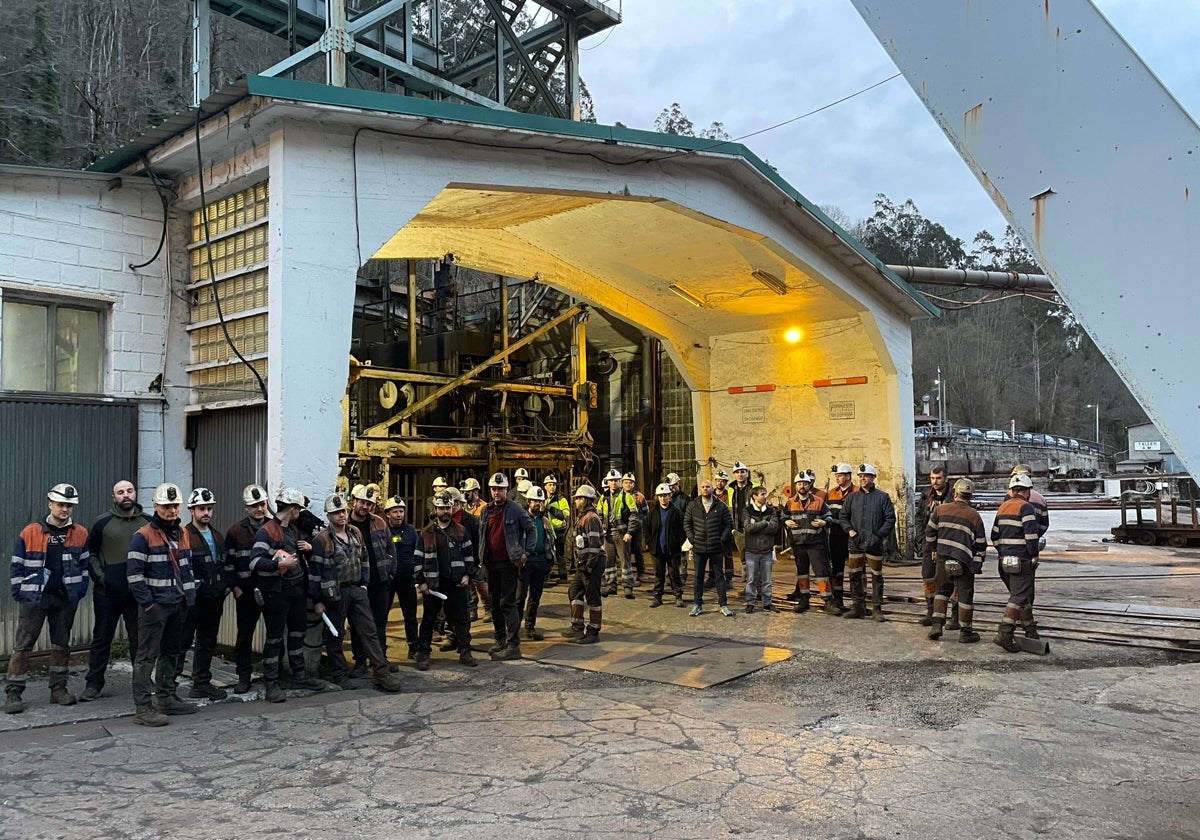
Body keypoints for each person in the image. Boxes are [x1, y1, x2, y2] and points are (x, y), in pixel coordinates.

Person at [6, 484, 90, 715]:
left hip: (64, 598)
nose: (65, 509)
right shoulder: (31, 532)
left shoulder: (80, 533)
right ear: (50, 504)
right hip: (35, 597)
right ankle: (14, 693)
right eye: (61, 504)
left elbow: (84, 565)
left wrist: (78, 591)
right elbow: (17, 565)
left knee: (61, 644)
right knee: (23, 645)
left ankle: (58, 689)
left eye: (69, 506)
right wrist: (20, 592)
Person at [309, 495, 404, 690]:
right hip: (334, 593)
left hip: (356, 589)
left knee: (369, 631)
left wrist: (363, 584)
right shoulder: (322, 540)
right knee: (336, 635)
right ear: (328, 515)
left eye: (343, 511)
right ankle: (339, 674)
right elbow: (315, 573)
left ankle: (381, 673)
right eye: (336, 513)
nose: (341, 515)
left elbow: (365, 559)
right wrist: (317, 600)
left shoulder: (355, 533)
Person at [127, 483, 197, 726]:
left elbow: (187, 570)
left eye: (175, 506)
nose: (172, 510)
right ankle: (143, 708)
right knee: (146, 656)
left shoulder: (184, 533)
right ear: (156, 506)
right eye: (166, 506)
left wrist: (189, 600)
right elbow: (134, 577)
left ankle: (167, 698)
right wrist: (148, 606)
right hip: (155, 608)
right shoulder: (142, 536)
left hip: (178, 605)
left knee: (171, 652)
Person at [250, 487, 322, 702]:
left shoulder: (293, 530)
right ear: (292, 508)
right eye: (298, 508)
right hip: (277, 593)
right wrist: (279, 563)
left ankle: (298, 675)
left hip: (297, 590)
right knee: (274, 637)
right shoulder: (267, 531)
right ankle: (272, 682)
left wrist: (308, 549)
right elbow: (254, 561)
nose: (300, 512)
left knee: (297, 633)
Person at [81, 479, 149, 701]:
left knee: (139, 639)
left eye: (129, 491)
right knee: (102, 638)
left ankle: (142, 683)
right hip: (107, 594)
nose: (126, 495)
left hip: (136, 594)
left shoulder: (148, 523)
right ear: (114, 497)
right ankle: (93, 684)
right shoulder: (102, 522)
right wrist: (102, 579)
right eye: (120, 492)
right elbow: (89, 554)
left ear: (135, 493)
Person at [180, 488, 234, 700]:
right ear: (192, 510)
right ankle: (167, 688)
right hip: (192, 600)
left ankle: (201, 683)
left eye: (209, 508)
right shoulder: (183, 536)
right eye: (201, 508)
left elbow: (225, 565)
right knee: (181, 642)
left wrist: (226, 587)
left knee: (207, 641)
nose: (206, 513)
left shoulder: (217, 536)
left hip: (213, 599)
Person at [414, 492, 477, 670]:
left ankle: (465, 651)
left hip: (456, 583)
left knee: (462, 619)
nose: (445, 511)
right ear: (436, 509)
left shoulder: (461, 531)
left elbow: (469, 556)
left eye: (448, 508)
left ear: (453, 508)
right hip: (434, 585)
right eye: (442, 508)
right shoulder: (426, 533)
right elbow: (417, 560)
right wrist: (421, 582)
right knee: (429, 620)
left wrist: (467, 575)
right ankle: (423, 653)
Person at [479, 472, 535, 661]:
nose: (497, 493)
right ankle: (500, 640)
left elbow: (531, 529)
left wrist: (526, 553)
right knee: (494, 604)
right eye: (494, 489)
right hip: (490, 564)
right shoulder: (486, 510)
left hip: (509, 564)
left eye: (500, 489)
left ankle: (513, 646)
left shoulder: (515, 509)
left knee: (507, 603)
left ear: (506, 490)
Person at [925, 478, 986, 643]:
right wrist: (977, 565)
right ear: (970, 496)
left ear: (955, 493)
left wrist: (934, 550)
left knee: (941, 591)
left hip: (943, 557)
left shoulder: (940, 510)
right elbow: (980, 544)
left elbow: (930, 532)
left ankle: (936, 626)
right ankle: (965, 632)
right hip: (964, 560)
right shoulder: (975, 516)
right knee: (965, 595)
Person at [347, 484, 398, 673]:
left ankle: (380, 659)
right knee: (357, 622)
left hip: (380, 581)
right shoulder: (346, 525)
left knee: (380, 622)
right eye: (362, 502)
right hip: (358, 582)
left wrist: (390, 573)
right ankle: (360, 661)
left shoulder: (379, 522)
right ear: (354, 502)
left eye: (369, 503)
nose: (365, 507)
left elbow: (390, 549)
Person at [225, 484, 270, 694]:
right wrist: (235, 588)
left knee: (275, 635)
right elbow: (228, 564)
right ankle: (244, 676)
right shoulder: (235, 532)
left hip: (271, 591)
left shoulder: (275, 528)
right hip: (246, 593)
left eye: (262, 504)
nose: (259, 509)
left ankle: (273, 676)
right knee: (244, 637)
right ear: (246, 507)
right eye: (254, 505)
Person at [839, 464, 896, 622]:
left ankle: (877, 609)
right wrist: (850, 531)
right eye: (860, 476)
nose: (862, 478)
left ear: (873, 478)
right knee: (854, 575)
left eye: (866, 476)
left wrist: (878, 535)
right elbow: (843, 516)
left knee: (876, 576)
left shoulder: (882, 497)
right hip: (855, 543)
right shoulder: (852, 498)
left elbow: (890, 519)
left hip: (874, 544)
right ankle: (858, 606)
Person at [992, 473, 1042, 652]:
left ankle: (1030, 630)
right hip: (1022, 560)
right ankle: (1005, 633)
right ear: (1028, 491)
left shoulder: (1003, 507)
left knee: (1022, 596)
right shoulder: (1026, 507)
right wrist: (1033, 554)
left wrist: (1004, 552)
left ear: (1012, 490)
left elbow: (994, 536)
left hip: (1004, 560)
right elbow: (1031, 536)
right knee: (1019, 596)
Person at [782, 470, 833, 614]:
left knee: (821, 573)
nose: (802, 486)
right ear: (796, 486)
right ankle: (804, 600)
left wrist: (824, 522)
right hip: (798, 544)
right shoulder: (790, 502)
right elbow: (782, 517)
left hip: (815, 543)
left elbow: (829, 517)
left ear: (809, 484)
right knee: (802, 573)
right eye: (799, 484)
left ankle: (828, 601)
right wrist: (786, 521)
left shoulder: (818, 501)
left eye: (804, 483)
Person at [683, 478, 735, 617]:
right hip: (699, 547)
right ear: (700, 489)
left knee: (719, 577)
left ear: (712, 489)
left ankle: (723, 605)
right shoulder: (693, 505)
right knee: (698, 577)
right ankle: (697, 605)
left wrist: (721, 539)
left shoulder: (721, 506)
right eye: (703, 487)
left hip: (716, 547)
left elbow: (728, 524)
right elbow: (687, 523)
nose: (705, 488)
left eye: (708, 486)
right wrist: (693, 539)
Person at [562, 484, 605, 644]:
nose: (576, 501)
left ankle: (594, 631)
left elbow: (594, 546)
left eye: (579, 498)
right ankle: (577, 626)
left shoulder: (591, 518)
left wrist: (588, 566)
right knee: (574, 591)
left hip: (592, 563)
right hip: (584, 564)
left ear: (587, 500)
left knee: (592, 596)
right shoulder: (583, 517)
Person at [516, 486, 556, 641]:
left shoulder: (544, 519)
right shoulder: (522, 519)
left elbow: (551, 540)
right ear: (529, 501)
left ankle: (530, 628)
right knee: (519, 598)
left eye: (540, 500)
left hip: (540, 562)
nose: (538, 503)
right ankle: (514, 630)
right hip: (526, 563)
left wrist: (549, 560)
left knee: (535, 597)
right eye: (535, 501)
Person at [382, 495, 420, 660]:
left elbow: (417, 554)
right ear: (387, 514)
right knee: (381, 615)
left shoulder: (411, 531)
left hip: (407, 579)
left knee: (410, 615)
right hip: (387, 580)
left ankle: (413, 647)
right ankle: (379, 651)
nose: (398, 515)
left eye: (401, 511)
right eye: (395, 512)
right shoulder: (381, 531)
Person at [916, 466, 954, 626]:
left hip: (948, 545)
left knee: (950, 580)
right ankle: (931, 612)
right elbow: (919, 517)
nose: (935, 482)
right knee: (928, 577)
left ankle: (955, 616)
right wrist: (921, 538)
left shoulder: (954, 496)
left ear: (945, 479)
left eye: (938, 478)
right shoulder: (927, 496)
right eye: (932, 478)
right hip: (928, 544)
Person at [598, 468, 641, 599]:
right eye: (611, 481)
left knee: (625, 562)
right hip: (608, 534)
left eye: (616, 481)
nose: (613, 483)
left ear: (620, 482)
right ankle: (611, 586)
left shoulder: (626, 496)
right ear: (608, 482)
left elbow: (634, 515)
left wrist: (629, 532)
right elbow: (599, 514)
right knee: (609, 562)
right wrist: (602, 528)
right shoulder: (603, 497)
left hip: (622, 533)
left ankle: (628, 587)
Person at [821, 463, 856, 615]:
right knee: (837, 569)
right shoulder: (831, 493)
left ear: (848, 476)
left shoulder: (857, 492)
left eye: (840, 475)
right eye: (836, 475)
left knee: (857, 569)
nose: (837, 478)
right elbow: (828, 513)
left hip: (853, 535)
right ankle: (838, 598)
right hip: (836, 535)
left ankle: (858, 602)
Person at [741, 485, 779, 613]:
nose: (765, 496)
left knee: (767, 579)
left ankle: (767, 603)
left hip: (767, 551)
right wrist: (765, 523)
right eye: (762, 494)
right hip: (752, 551)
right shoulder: (747, 511)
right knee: (751, 579)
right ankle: (750, 603)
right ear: (755, 496)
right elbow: (748, 528)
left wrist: (756, 525)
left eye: (765, 493)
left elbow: (775, 527)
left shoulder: (771, 511)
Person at [543, 474, 571, 585]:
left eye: (554, 484)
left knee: (560, 553)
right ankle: (546, 575)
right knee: (547, 553)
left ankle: (563, 575)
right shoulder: (543, 499)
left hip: (559, 530)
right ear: (545, 486)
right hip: (548, 530)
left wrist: (551, 508)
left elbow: (565, 515)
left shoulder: (561, 499)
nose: (552, 487)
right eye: (550, 485)